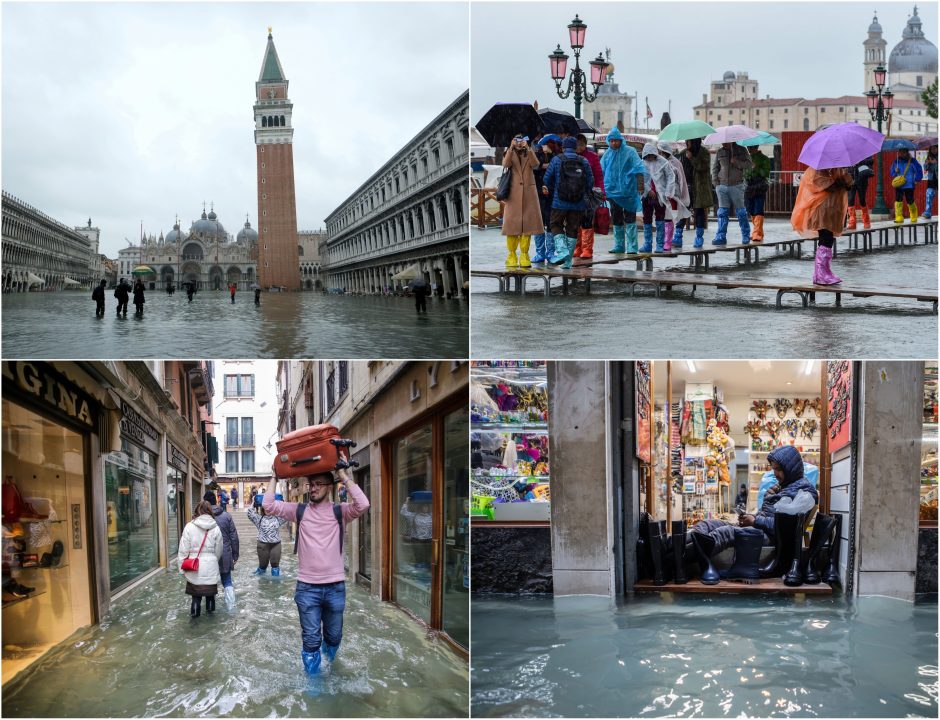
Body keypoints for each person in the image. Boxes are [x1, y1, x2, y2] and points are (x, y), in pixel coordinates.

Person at [262, 465, 370, 676]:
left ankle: (329, 666)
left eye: (318, 484)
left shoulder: (341, 512)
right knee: (311, 640)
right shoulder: (299, 511)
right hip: (307, 588)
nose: (313, 488)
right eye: (311, 485)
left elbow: (364, 504)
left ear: (330, 487)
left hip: (336, 587)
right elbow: (268, 505)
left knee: (334, 637)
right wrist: (274, 475)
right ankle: (314, 683)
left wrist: (342, 476)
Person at [690, 446, 817, 560]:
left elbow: (787, 527)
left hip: (775, 538)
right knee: (708, 524)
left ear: (790, 469)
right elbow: (769, 516)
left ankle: (681, 559)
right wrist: (751, 517)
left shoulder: (805, 492)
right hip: (764, 530)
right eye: (774, 469)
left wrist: (755, 521)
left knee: (725, 532)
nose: (775, 474)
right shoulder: (785, 486)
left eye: (778, 469)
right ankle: (676, 547)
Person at [791, 166, 854, 285]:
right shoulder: (816, 170)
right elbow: (823, 185)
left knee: (828, 239)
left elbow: (847, 185)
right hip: (820, 209)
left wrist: (844, 181)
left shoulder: (836, 169)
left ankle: (822, 272)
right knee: (826, 238)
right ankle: (821, 273)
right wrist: (838, 182)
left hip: (832, 210)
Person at [542, 137, 593, 269]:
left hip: (559, 201)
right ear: (575, 148)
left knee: (555, 224)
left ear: (563, 148)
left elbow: (547, 179)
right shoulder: (583, 160)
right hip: (578, 202)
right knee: (573, 228)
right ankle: (568, 261)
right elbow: (590, 181)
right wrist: (581, 193)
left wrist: (555, 188)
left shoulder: (557, 159)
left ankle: (562, 251)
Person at [500, 135, 543, 268]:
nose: (519, 143)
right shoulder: (508, 152)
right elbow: (505, 164)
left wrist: (528, 148)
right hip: (513, 194)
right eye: (516, 140)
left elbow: (536, 165)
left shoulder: (529, 152)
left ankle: (524, 254)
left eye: (521, 140)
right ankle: (512, 255)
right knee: (512, 227)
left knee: (528, 227)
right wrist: (511, 148)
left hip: (529, 194)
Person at [601, 128, 645, 254]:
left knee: (630, 218)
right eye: (611, 141)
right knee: (616, 218)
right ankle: (619, 245)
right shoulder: (607, 154)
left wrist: (640, 186)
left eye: (616, 141)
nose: (614, 143)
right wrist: (602, 189)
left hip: (628, 191)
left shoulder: (630, 152)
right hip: (612, 192)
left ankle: (632, 246)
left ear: (621, 140)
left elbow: (639, 168)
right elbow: (601, 171)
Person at [178, 500, 224, 617]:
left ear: (197, 511)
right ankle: (211, 622)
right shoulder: (216, 528)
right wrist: (213, 560)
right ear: (210, 512)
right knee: (210, 596)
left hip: (194, 566)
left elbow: (183, 549)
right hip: (211, 566)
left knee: (196, 597)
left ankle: (194, 625)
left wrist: (181, 568)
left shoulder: (189, 526)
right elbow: (219, 550)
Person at [711, 141, 753, 245]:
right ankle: (721, 236)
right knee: (722, 213)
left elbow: (749, 164)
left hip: (737, 185)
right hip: (722, 186)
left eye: (726, 142)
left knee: (741, 212)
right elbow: (715, 168)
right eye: (723, 142)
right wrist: (716, 184)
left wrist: (737, 162)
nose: (723, 144)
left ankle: (745, 235)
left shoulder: (742, 150)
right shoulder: (720, 152)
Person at [204, 491, 240, 608]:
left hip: (207, 556)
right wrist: (235, 555)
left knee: (210, 584)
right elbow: (234, 537)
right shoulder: (226, 516)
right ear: (216, 501)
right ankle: (231, 608)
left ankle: (210, 611)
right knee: (227, 582)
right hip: (225, 554)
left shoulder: (202, 519)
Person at [640, 143, 677, 253]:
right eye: (648, 155)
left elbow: (671, 177)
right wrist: (648, 190)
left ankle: (660, 244)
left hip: (660, 196)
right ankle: (647, 244)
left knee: (660, 219)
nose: (650, 158)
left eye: (652, 155)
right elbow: (641, 178)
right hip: (647, 196)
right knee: (647, 219)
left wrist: (668, 192)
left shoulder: (663, 163)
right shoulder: (642, 163)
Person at [573, 134, 605, 259]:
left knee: (587, 220)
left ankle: (587, 249)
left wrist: (602, 191)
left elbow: (598, 175)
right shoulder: (571, 157)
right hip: (574, 193)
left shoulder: (592, 157)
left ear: (585, 145)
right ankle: (577, 247)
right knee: (575, 221)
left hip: (589, 193)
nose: (579, 147)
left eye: (581, 144)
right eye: (577, 145)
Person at [531, 134, 561, 263]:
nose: (547, 147)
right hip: (537, 193)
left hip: (552, 194)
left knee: (550, 222)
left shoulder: (556, 156)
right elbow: (533, 167)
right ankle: (540, 252)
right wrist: (543, 165)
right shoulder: (536, 154)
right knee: (538, 223)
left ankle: (550, 252)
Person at [680, 138, 713, 248]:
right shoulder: (683, 153)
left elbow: (703, 167)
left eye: (689, 141)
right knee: (683, 210)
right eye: (686, 141)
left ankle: (699, 237)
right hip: (687, 186)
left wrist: (692, 159)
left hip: (700, 188)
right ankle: (677, 236)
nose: (687, 143)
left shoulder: (704, 152)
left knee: (699, 211)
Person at [658, 141, 691, 250]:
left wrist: (681, 194)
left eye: (661, 151)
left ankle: (670, 240)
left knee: (671, 216)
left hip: (673, 194)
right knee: (663, 216)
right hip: (661, 193)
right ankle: (664, 240)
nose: (660, 153)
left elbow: (681, 179)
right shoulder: (658, 162)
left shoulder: (676, 162)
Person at [247, 495, 289, 576]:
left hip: (276, 545)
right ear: (263, 509)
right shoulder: (259, 519)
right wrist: (253, 502)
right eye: (266, 508)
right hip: (262, 545)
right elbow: (249, 513)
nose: (268, 510)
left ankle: (275, 586)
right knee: (263, 566)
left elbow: (287, 514)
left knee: (275, 565)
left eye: (270, 508)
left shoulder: (278, 518)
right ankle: (262, 585)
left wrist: (283, 504)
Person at [889, 147, 924, 224]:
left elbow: (919, 170)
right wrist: (895, 171)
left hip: (909, 184)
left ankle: (913, 215)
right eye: (900, 152)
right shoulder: (896, 161)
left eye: (903, 152)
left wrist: (917, 179)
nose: (901, 154)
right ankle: (898, 216)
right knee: (898, 200)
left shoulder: (913, 161)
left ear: (907, 152)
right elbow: (891, 173)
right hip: (899, 184)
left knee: (910, 200)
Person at [744, 146, 771, 242]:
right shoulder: (747, 159)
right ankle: (758, 232)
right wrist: (749, 171)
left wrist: (757, 168)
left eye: (750, 147)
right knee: (751, 209)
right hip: (750, 187)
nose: (749, 149)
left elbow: (766, 173)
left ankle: (757, 233)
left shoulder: (764, 159)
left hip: (760, 186)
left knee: (758, 208)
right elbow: (746, 174)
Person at [846, 158, 874, 229]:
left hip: (862, 180)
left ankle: (866, 221)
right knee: (850, 200)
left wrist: (859, 161)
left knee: (862, 200)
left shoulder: (862, 152)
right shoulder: (848, 153)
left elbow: (870, 161)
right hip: (851, 179)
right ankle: (852, 222)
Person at [923, 145, 937, 220]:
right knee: (929, 194)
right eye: (932, 148)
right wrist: (927, 163)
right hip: (931, 179)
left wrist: (936, 163)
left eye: (935, 148)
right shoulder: (929, 157)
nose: (933, 150)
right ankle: (928, 212)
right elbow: (925, 168)